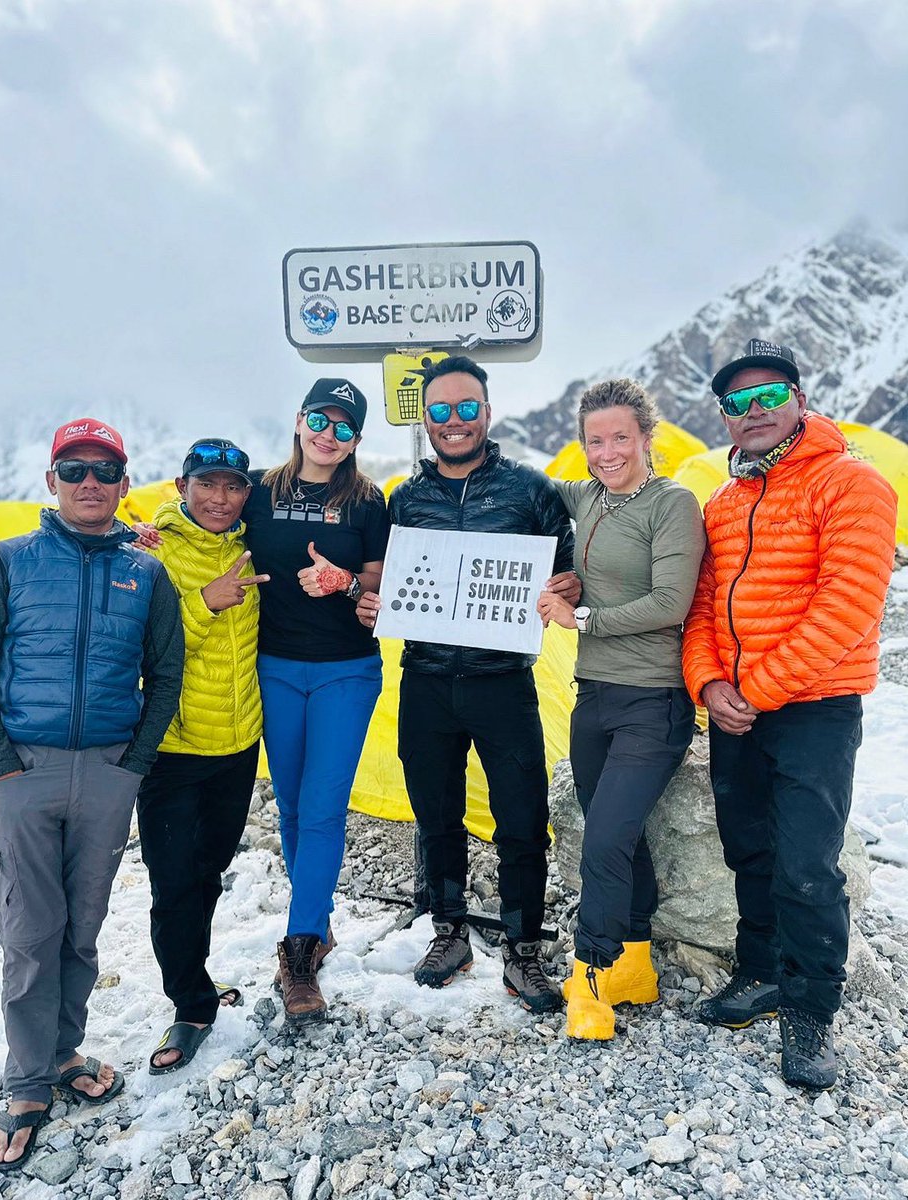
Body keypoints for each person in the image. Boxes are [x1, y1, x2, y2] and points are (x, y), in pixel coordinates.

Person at [0, 419, 183, 1172]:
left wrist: (133, 763)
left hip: (109, 771)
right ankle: (24, 1082)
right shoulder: (9, 560)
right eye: (75, 469)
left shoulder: (146, 573)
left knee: (82, 925)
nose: (90, 482)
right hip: (27, 768)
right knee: (27, 928)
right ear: (52, 480)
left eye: (105, 470)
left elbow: (166, 672)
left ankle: (62, 1051)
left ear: (123, 482)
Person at [682, 340, 897, 1090]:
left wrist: (756, 691)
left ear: (800, 400)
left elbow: (847, 606)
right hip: (737, 709)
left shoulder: (853, 484)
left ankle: (811, 1013)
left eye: (768, 398)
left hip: (815, 708)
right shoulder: (725, 499)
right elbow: (704, 605)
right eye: (736, 406)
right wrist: (709, 683)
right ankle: (760, 972)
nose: (752, 414)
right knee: (749, 849)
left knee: (808, 866)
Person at [357, 355, 579, 1015]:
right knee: (436, 816)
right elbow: (382, 579)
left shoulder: (531, 491)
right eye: (441, 411)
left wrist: (567, 586)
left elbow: (568, 570)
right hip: (424, 681)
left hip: (503, 683)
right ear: (424, 418)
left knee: (520, 819)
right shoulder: (404, 497)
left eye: (466, 408)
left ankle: (523, 951)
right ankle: (448, 933)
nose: (454, 423)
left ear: (487, 412)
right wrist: (368, 600)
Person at [537, 378, 704, 1040]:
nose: (607, 453)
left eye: (619, 439)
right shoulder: (588, 496)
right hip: (593, 698)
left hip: (653, 702)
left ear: (645, 437)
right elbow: (519, 494)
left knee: (603, 839)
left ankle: (592, 974)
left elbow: (671, 602)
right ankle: (634, 963)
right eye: (594, 441)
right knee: (619, 835)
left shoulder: (672, 504)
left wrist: (580, 615)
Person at [243, 380, 389, 1023]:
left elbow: (384, 580)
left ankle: (299, 954)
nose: (329, 434)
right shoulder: (256, 489)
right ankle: (319, 921)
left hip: (345, 671)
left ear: (357, 438)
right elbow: (200, 524)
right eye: (319, 420)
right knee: (295, 806)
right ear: (299, 421)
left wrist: (346, 580)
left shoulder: (367, 501)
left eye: (344, 426)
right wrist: (149, 536)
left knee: (325, 806)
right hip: (273, 668)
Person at [138, 439, 268, 1075]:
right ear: (182, 485)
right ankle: (189, 1003)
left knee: (208, 872)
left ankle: (197, 977)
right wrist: (205, 603)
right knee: (173, 883)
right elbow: (138, 646)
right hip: (174, 751)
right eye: (207, 485)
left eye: (232, 487)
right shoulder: (152, 552)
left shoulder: (250, 543)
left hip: (237, 747)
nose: (219, 499)